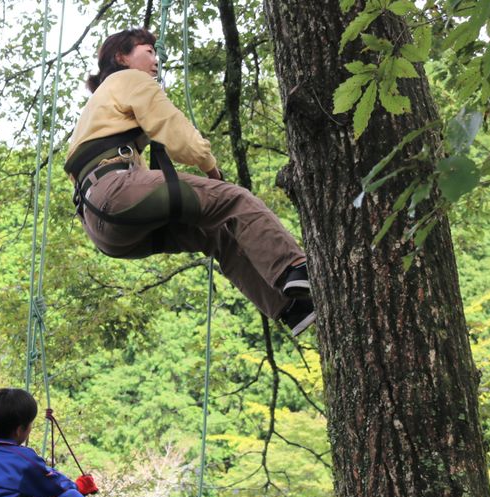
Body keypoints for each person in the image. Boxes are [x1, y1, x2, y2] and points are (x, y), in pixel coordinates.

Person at [65, 28, 314, 337]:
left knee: (215, 233)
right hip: (116, 194)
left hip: (104, 227)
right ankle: (294, 267)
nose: (156, 60)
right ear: (121, 57)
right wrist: (210, 168)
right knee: (234, 200)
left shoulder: (99, 108)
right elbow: (173, 129)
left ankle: (292, 308)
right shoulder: (129, 80)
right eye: (148, 51)